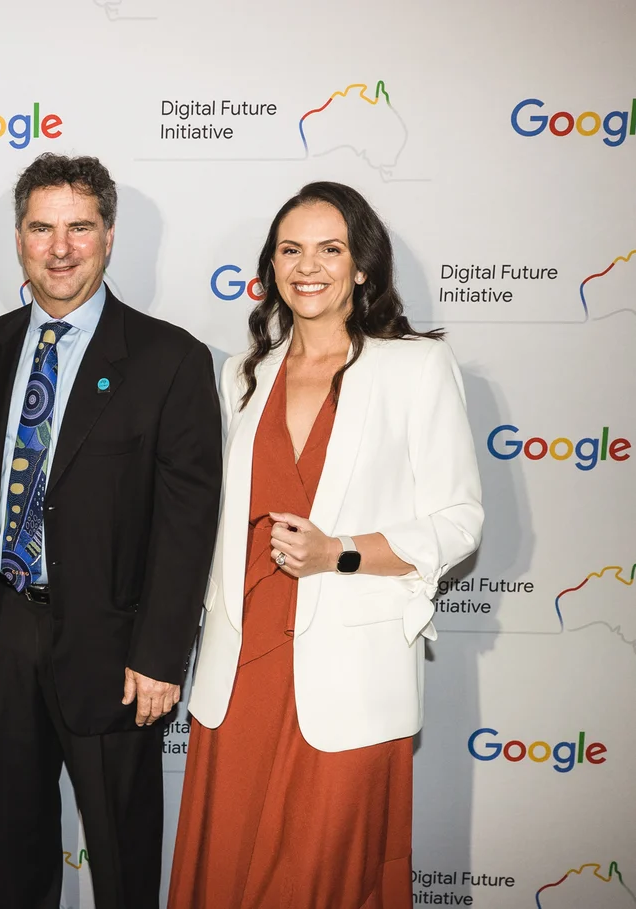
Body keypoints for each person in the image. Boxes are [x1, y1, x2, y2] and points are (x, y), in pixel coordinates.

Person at [170, 181, 484, 908]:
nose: (307, 265)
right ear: (271, 267)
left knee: (328, 873)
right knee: (233, 868)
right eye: (290, 249)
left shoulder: (415, 367)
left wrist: (338, 549)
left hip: (350, 667)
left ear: (362, 265)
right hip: (239, 665)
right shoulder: (241, 375)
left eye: (329, 248)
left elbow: (459, 519)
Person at [0, 153, 223, 909]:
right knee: (14, 857)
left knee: (122, 860)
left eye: (79, 227)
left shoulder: (168, 359)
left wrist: (161, 654)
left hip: (117, 654)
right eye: (42, 227)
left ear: (108, 236)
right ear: (17, 239)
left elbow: (186, 519)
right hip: (0, 633)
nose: (60, 247)